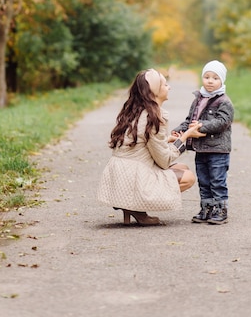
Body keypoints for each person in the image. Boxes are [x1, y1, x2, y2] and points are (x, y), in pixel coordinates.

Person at [97, 68, 205, 226]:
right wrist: (185, 136)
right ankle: (136, 206)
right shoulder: (154, 117)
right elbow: (164, 161)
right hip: (132, 178)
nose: (169, 87)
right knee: (188, 177)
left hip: (120, 174)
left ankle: (131, 205)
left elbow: (141, 143)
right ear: (154, 92)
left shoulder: (134, 110)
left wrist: (167, 139)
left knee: (183, 167)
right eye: (165, 84)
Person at [172, 60, 234, 224]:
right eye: (207, 77)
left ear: (222, 81)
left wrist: (202, 125)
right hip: (201, 150)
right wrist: (180, 129)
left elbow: (223, 122)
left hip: (218, 150)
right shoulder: (198, 100)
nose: (210, 81)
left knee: (217, 182)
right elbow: (190, 120)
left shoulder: (224, 102)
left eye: (215, 78)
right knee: (204, 181)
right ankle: (206, 209)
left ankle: (220, 210)